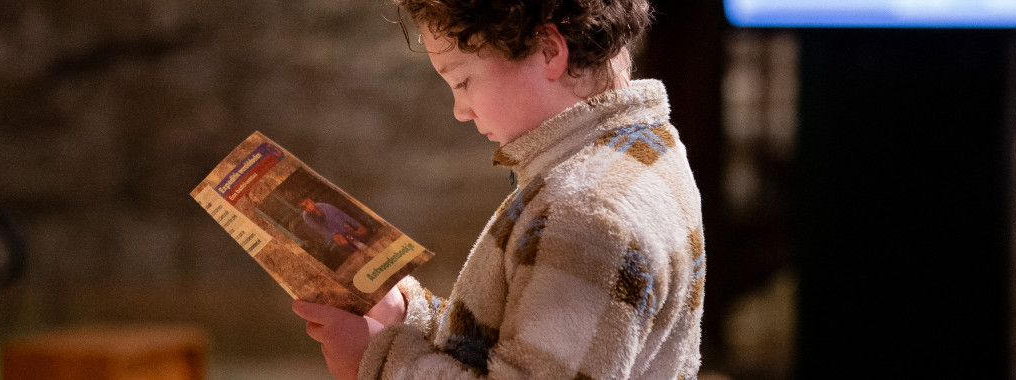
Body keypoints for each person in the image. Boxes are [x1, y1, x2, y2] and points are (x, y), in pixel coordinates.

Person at [291, 1, 706, 379]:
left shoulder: (585, 214)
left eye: (463, 80)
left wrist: (375, 362)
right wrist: (406, 316)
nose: (460, 110)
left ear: (548, 50)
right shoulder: (645, 149)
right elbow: (510, 343)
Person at [300, 197, 370, 253]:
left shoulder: (326, 206)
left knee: (363, 234)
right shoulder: (307, 217)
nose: (309, 208)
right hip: (331, 238)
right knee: (344, 247)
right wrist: (334, 237)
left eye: (307, 203)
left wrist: (358, 225)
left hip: (344, 229)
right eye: (304, 207)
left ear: (310, 200)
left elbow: (343, 215)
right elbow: (322, 231)